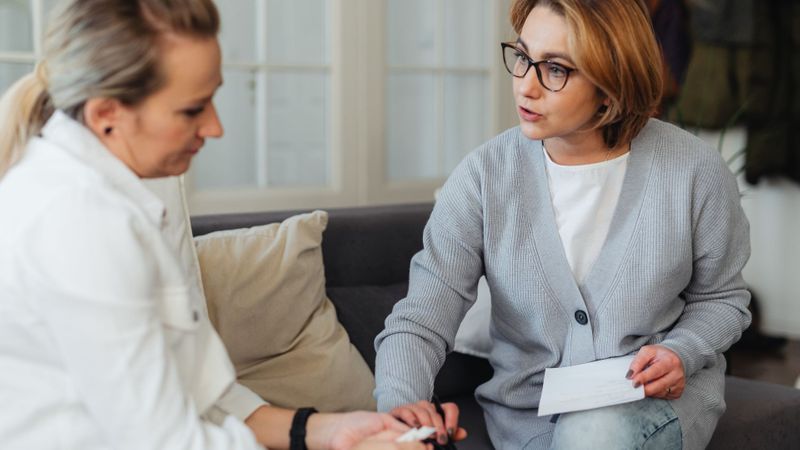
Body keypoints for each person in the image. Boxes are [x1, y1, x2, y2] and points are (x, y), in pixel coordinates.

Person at [0, 1, 426, 449]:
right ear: (107, 115)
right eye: (192, 109)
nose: (216, 127)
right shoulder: (79, 222)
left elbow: (200, 395)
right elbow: (166, 440)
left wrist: (328, 431)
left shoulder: (122, 194)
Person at [373, 0, 751, 449]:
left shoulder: (694, 171)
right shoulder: (483, 177)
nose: (525, 88)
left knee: (592, 431)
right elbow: (420, 319)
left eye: (555, 70)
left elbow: (723, 299)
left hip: (652, 407)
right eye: (523, 57)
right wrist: (400, 402)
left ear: (612, 85)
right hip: (527, 420)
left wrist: (680, 352)